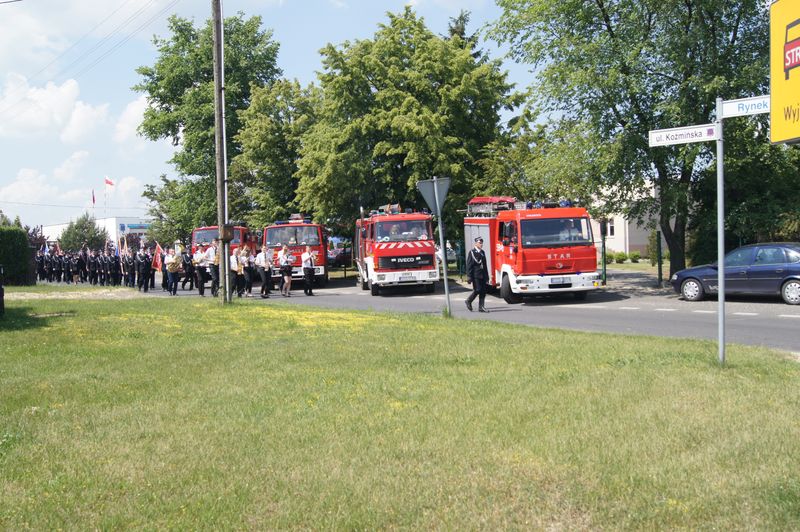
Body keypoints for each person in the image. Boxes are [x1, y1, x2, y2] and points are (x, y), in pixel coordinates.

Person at [465, 236, 489, 313]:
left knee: (483, 291)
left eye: (482, 243)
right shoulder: (472, 252)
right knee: (477, 289)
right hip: (475, 275)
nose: (481, 244)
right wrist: (469, 276)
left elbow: (485, 265)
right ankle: (468, 300)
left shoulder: (482, 252)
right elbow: (469, 265)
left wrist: (487, 276)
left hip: (482, 275)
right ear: (476, 243)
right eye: (480, 243)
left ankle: (481, 307)